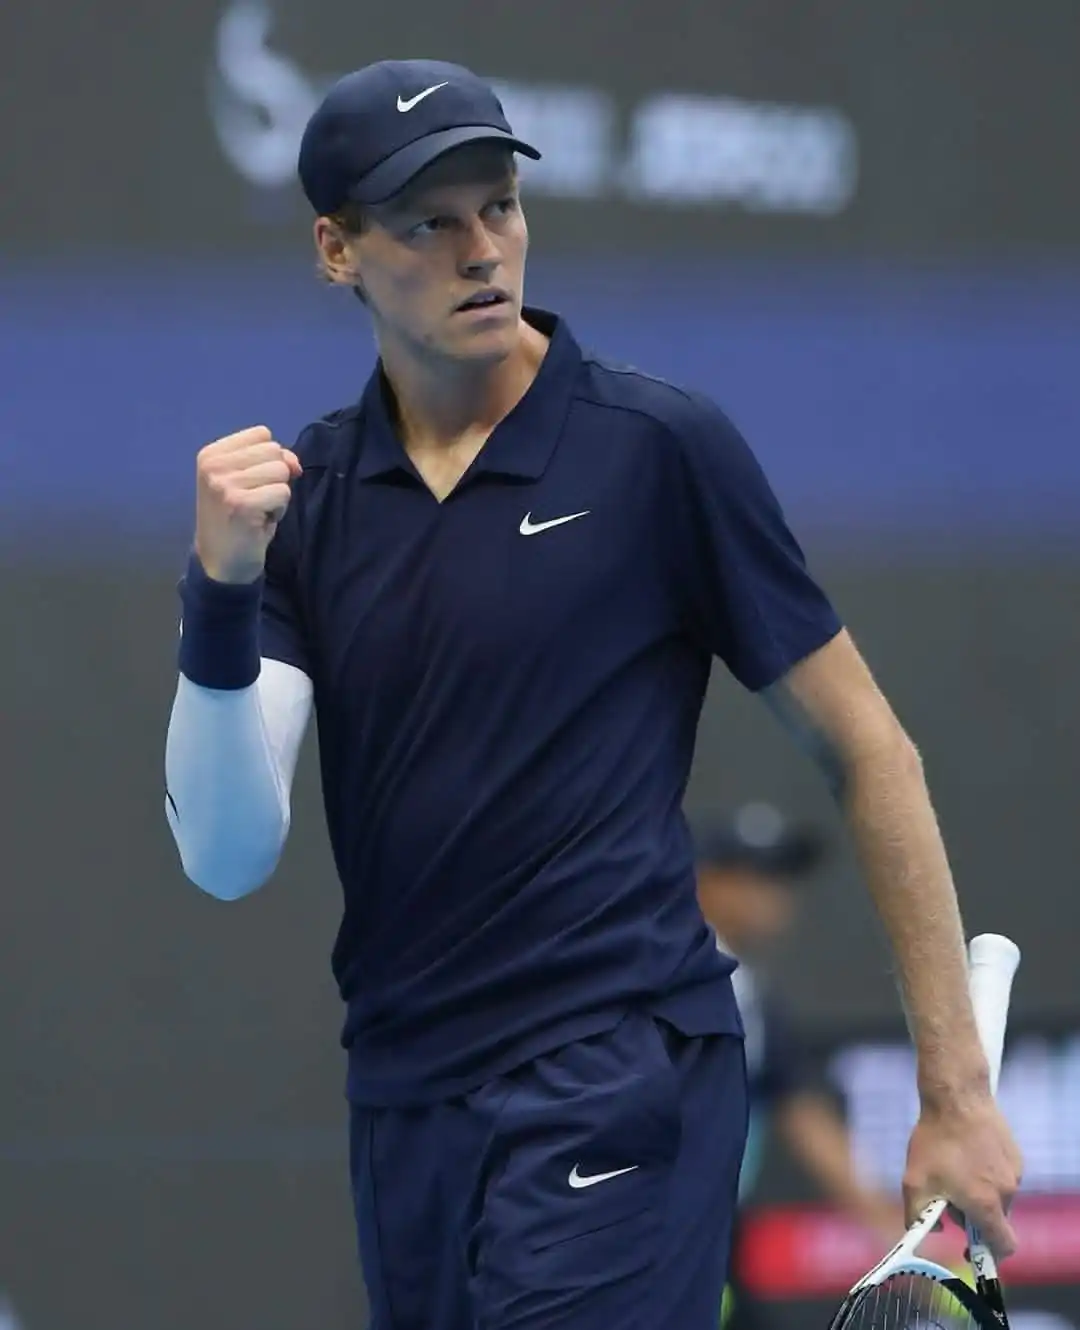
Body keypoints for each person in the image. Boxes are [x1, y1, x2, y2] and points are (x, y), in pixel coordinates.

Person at [163, 57, 1021, 1330]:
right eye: (428, 222)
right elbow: (228, 854)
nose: (481, 250)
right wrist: (222, 594)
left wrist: (953, 1091)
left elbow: (869, 747)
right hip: (406, 1104)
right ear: (337, 250)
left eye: (500, 206)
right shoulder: (311, 502)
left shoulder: (659, 450)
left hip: (618, 1069)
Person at [692, 803, 903, 1329]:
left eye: (780, 876)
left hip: (709, 1248)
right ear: (703, 879)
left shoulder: (750, 996)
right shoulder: (669, 980)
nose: (773, 894)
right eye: (752, 875)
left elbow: (805, 1115)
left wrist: (895, 1237)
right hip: (653, 1246)